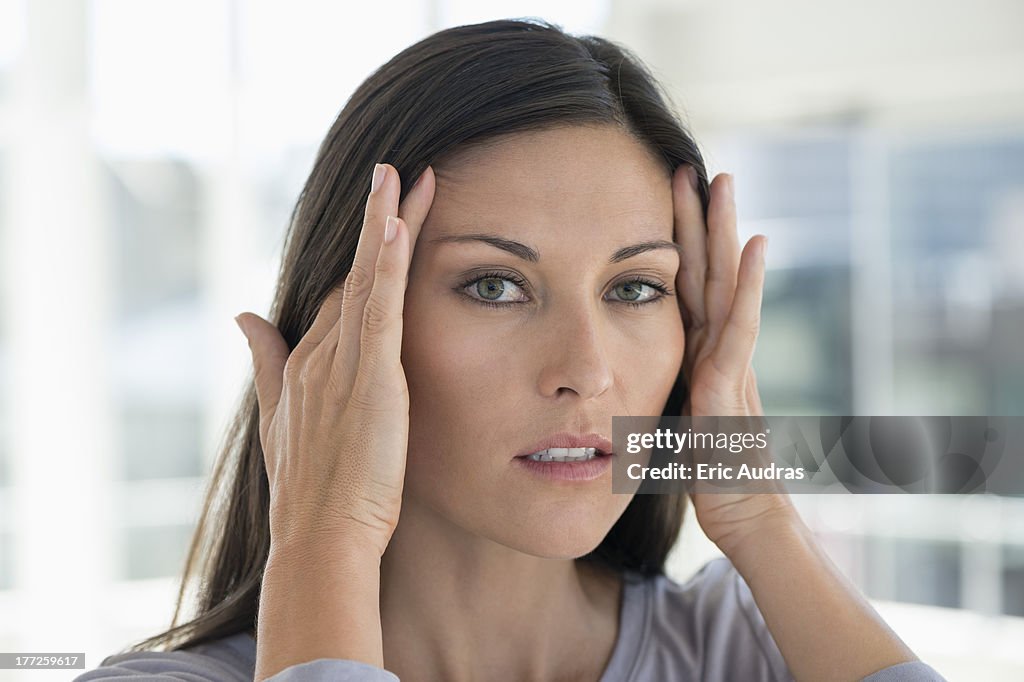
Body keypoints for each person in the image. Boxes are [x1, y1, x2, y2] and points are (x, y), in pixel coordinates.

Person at [75, 18, 947, 682]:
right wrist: (323, 543)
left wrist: (760, 517)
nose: (588, 369)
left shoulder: (755, 648)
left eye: (635, 288)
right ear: (342, 327)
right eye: (494, 285)